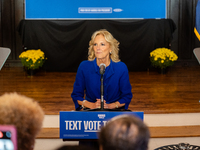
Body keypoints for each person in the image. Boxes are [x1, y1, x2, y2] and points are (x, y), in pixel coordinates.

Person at [71, 29, 132, 110]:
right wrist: (92, 105)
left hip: (114, 111)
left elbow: (127, 96)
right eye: (95, 44)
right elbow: (76, 95)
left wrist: (111, 106)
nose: (98, 48)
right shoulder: (84, 66)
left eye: (102, 44)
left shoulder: (121, 67)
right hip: (90, 110)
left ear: (111, 48)